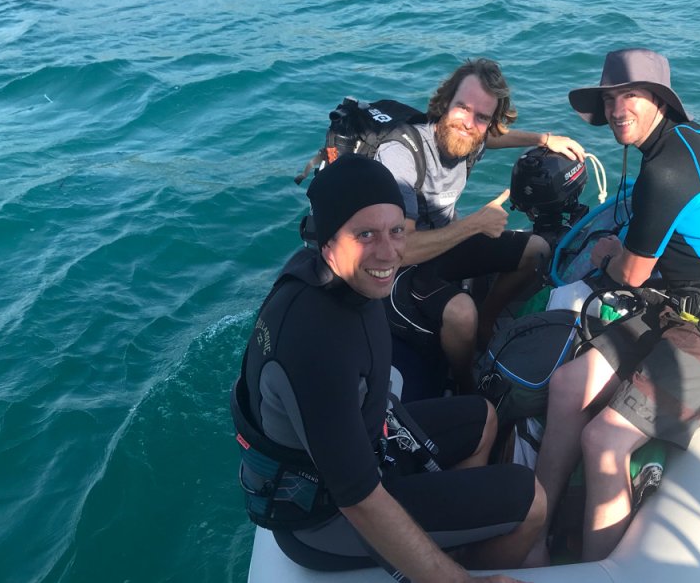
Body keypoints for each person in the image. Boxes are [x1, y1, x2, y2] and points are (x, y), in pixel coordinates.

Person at [232, 155, 546, 582]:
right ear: (327, 241)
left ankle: (459, 543)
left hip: (368, 451)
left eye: (396, 231)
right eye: (365, 234)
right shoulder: (315, 342)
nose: (387, 252)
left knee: (482, 418)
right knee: (532, 502)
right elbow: (359, 498)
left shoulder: (336, 282)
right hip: (321, 518)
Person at [523, 48, 700, 565]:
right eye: (610, 99)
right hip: (679, 305)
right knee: (568, 384)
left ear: (659, 100)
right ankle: (533, 534)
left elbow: (631, 273)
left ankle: (596, 570)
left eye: (630, 96)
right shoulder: (678, 145)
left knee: (604, 442)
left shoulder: (667, 170)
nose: (617, 109)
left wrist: (612, 254)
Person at [375, 58, 585, 393]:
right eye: (462, 107)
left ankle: (486, 324)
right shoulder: (402, 155)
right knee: (462, 314)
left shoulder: (470, 140)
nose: (468, 123)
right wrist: (474, 224)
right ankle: (462, 381)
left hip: (445, 243)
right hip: (398, 267)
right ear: (445, 104)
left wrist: (545, 138)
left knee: (536, 251)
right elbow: (399, 250)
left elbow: (493, 138)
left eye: (482, 117)